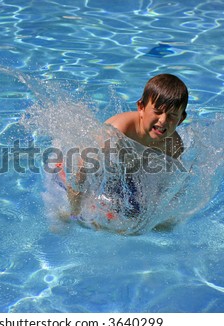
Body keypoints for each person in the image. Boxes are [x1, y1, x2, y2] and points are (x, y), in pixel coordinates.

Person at [61, 74, 188, 227]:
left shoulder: (173, 145)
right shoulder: (117, 133)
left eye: (172, 115)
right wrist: (74, 213)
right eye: (157, 111)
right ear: (141, 107)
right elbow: (82, 171)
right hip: (101, 167)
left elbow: (163, 187)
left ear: (181, 119)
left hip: (130, 173)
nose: (163, 120)